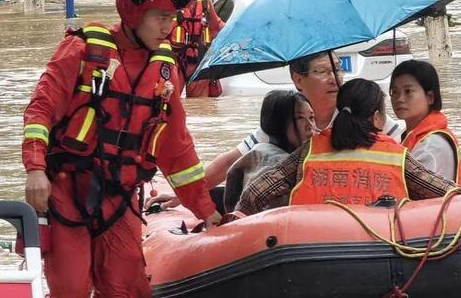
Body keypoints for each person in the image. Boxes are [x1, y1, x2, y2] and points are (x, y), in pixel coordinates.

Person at [22, 0, 222, 298]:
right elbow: (40, 110)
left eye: (172, 18)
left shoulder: (165, 70)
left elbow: (176, 148)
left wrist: (206, 210)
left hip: (120, 195)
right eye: (160, 17)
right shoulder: (82, 50)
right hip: (67, 190)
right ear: (133, 13)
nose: (168, 27)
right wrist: (35, 169)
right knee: (69, 297)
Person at [147, 51, 403, 210]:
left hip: (363, 208)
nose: (334, 78)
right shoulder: (285, 116)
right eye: (322, 71)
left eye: (337, 69)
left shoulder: (363, 111)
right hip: (303, 217)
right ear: (298, 79)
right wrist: (184, 196)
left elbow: (402, 156)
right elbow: (231, 161)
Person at [238, 78, 455, 214]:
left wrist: (237, 222)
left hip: (309, 251)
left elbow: (255, 194)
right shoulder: (396, 156)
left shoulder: (309, 151)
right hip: (379, 250)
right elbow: (445, 192)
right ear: (377, 118)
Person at [221, 90, 316, 211]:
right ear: (277, 123)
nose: (310, 126)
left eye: (311, 117)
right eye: (300, 118)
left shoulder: (257, 154)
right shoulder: (271, 165)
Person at [389, 59, 461, 184]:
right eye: (395, 92)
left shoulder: (431, 146)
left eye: (408, 91)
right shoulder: (406, 135)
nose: (399, 99)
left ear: (430, 97)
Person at [170, 0, 224, 98]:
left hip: (199, 58)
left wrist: (235, 31)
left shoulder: (204, 0)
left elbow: (216, 25)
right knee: (170, 99)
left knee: (201, 104)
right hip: (176, 58)